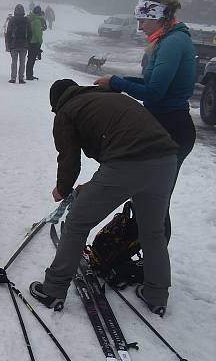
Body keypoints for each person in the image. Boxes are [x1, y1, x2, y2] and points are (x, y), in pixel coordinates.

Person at [30, 79, 179, 316]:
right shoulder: (107, 97)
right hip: (166, 159)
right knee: (152, 231)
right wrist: (90, 188)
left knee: (77, 222)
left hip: (128, 162)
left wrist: (63, 188)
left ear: (56, 103)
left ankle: (53, 289)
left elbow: (69, 159)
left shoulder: (66, 111)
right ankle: (156, 295)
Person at [93, 0, 196, 241]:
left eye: (142, 20)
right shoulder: (165, 39)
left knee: (155, 203)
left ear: (158, 16)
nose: (139, 26)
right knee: (145, 198)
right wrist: (117, 82)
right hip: (161, 128)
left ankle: (152, 268)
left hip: (172, 130)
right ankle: (138, 256)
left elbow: (154, 92)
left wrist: (116, 82)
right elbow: (151, 82)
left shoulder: (173, 43)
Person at [5, 4, 29, 84]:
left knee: (14, 62)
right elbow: (30, 33)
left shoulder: (12, 20)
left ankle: (13, 78)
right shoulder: (26, 20)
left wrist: (8, 44)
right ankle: (21, 78)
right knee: (22, 62)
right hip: (24, 44)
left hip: (14, 44)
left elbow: (8, 33)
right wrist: (27, 42)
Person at [26, 5, 47, 81]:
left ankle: (29, 74)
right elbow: (37, 33)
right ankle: (29, 75)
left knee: (30, 59)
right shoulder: (37, 21)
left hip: (29, 41)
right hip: (35, 42)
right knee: (32, 59)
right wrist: (40, 41)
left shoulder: (29, 18)